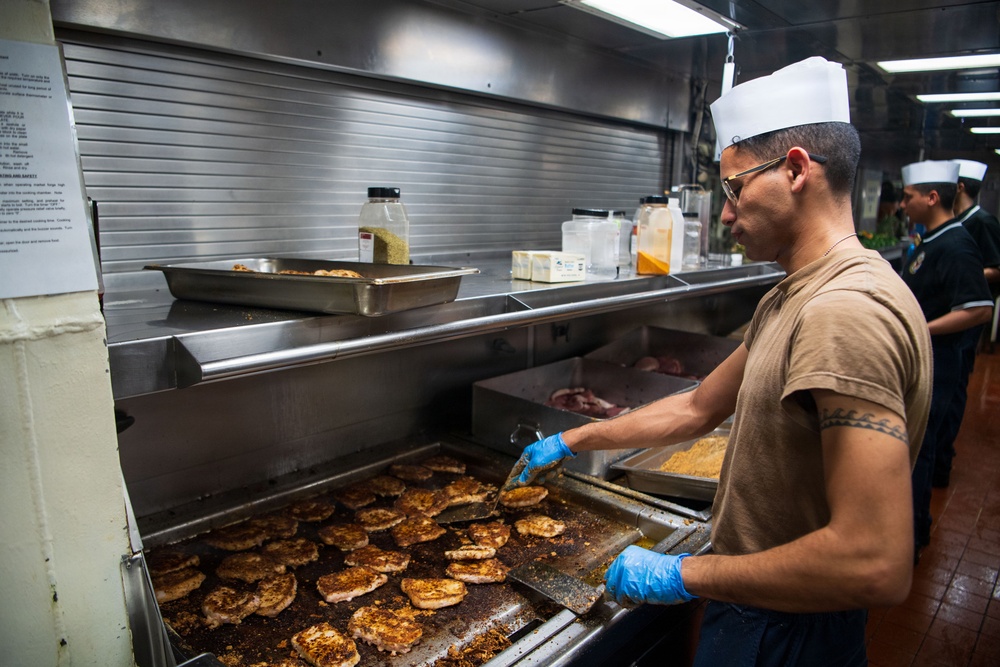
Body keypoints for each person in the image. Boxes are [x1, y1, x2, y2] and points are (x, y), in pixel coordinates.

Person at [506, 57, 933, 666]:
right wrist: (573, 439)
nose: (726, 213)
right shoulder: (794, 293)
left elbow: (874, 561)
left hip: (789, 628)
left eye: (733, 189)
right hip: (760, 608)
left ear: (794, 170)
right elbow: (698, 405)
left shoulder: (844, 314)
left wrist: (688, 574)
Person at [899, 160, 993, 545]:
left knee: (920, 450)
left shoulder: (956, 244)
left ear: (932, 197)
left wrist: (921, 327)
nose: (903, 205)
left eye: (908, 197)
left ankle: (913, 537)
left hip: (938, 364)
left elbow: (979, 308)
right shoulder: (932, 239)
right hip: (923, 360)